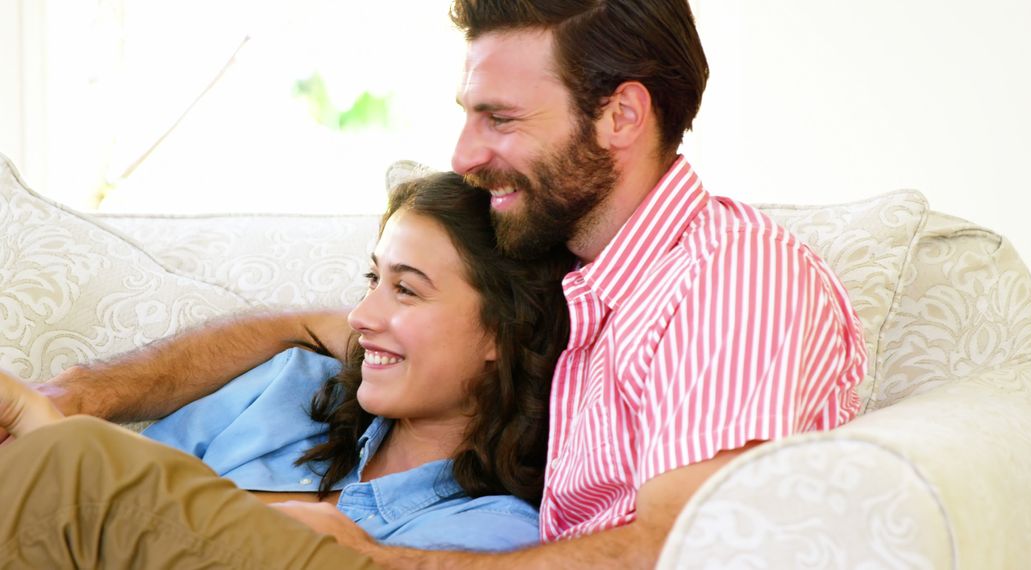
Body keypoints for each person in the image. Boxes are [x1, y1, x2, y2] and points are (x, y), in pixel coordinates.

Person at [25, 0, 868, 567]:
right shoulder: (583, 283)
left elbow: (678, 546)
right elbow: (352, 327)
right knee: (64, 462)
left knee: (84, 473)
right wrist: (71, 392)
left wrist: (385, 557)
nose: (464, 154)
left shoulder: (729, 273)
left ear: (621, 117)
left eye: (499, 118)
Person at [0, 171, 574, 567]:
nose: (361, 315)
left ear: (502, 329)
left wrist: (54, 434)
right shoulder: (293, 388)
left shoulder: (492, 534)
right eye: (373, 280)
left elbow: (111, 494)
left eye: (406, 290)